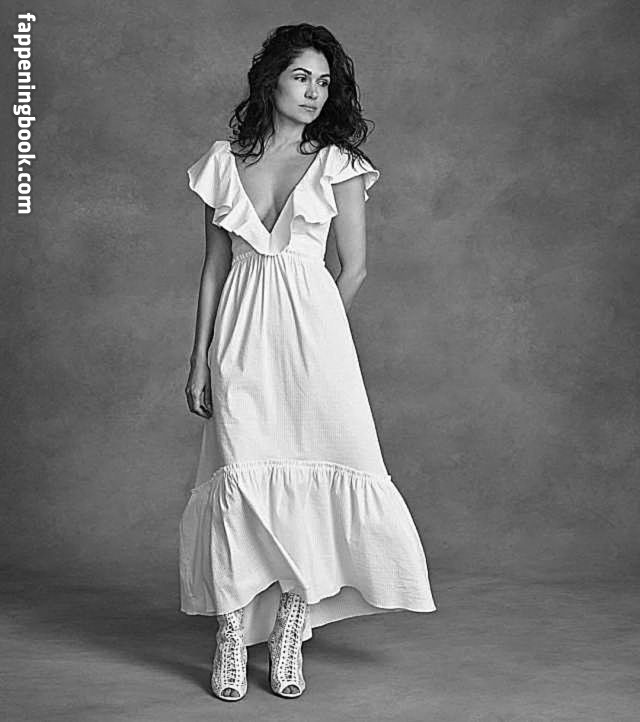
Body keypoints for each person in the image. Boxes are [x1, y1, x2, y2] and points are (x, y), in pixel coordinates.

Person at [181, 23, 436, 702]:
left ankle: (291, 626)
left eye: (325, 82)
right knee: (241, 477)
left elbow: (354, 268)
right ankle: (232, 633)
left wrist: (319, 334)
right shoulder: (222, 163)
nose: (314, 92)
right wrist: (200, 358)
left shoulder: (338, 163)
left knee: (312, 473)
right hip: (240, 336)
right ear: (270, 79)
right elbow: (213, 270)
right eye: (302, 77)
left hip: (315, 346)